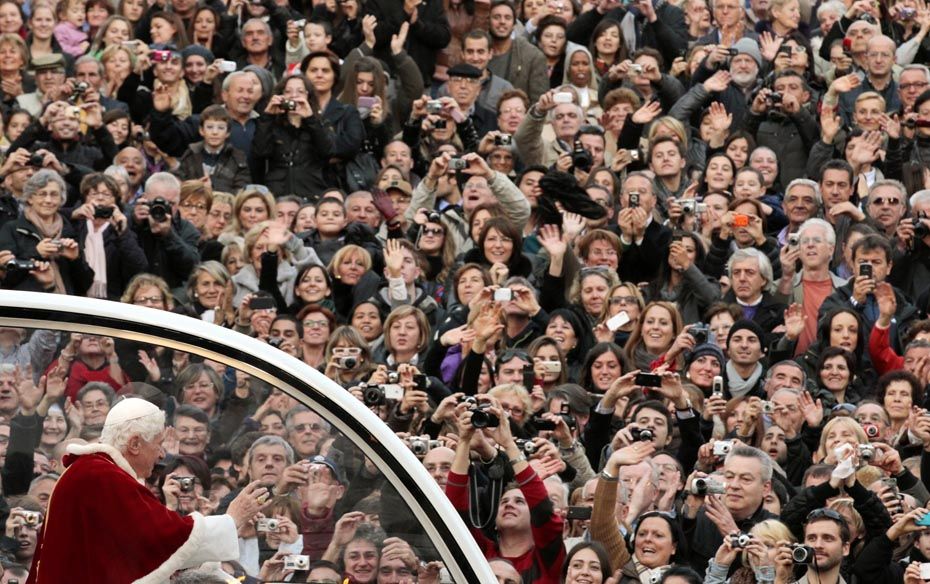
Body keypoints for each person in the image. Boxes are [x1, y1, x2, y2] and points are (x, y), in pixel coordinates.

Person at [26, 398, 268, 582]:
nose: (162, 453)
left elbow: (137, 551)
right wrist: (232, 518)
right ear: (134, 444)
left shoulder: (96, 471)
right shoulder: (100, 476)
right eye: (159, 444)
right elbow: (163, 536)